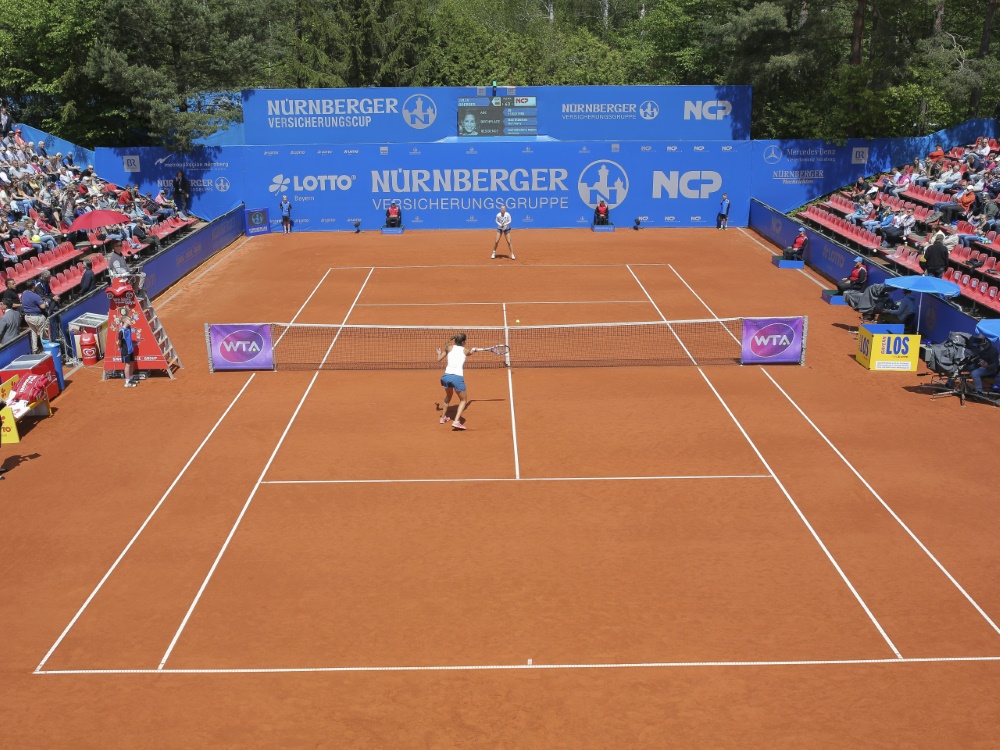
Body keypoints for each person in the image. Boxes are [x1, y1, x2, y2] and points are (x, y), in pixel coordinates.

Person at [435, 333, 485, 430]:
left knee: (448, 396)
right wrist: (474, 350)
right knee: (463, 400)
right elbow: (470, 353)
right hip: (457, 378)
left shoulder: (449, 348)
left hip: (446, 377)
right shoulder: (465, 350)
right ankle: (456, 421)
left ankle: (443, 418)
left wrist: (438, 353)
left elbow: (439, 359)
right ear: (463, 342)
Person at [19, 282, 47, 353]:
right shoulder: (35, 296)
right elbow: (43, 307)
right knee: (42, 332)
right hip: (36, 317)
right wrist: (45, 302)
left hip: (27, 317)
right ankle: (46, 348)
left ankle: (35, 349)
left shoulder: (24, 294)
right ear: (33, 286)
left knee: (34, 332)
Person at [119, 320, 137, 387]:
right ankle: (127, 382)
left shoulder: (128, 328)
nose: (130, 321)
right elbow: (119, 341)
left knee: (131, 363)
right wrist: (121, 348)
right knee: (128, 365)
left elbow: (133, 321)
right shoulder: (121, 331)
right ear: (125, 321)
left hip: (131, 349)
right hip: (125, 350)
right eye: (129, 320)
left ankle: (131, 378)